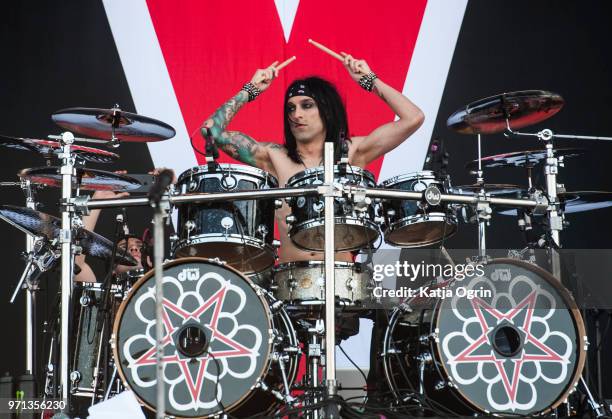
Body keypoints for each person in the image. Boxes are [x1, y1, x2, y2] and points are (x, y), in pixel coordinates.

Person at [203, 53, 424, 263]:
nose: (296, 114)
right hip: (288, 287)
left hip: (344, 283)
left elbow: (413, 117)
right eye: (290, 108)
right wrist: (250, 90)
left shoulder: (354, 151)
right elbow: (211, 130)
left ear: (327, 110)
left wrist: (369, 80)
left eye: (307, 105)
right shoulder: (274, 157)